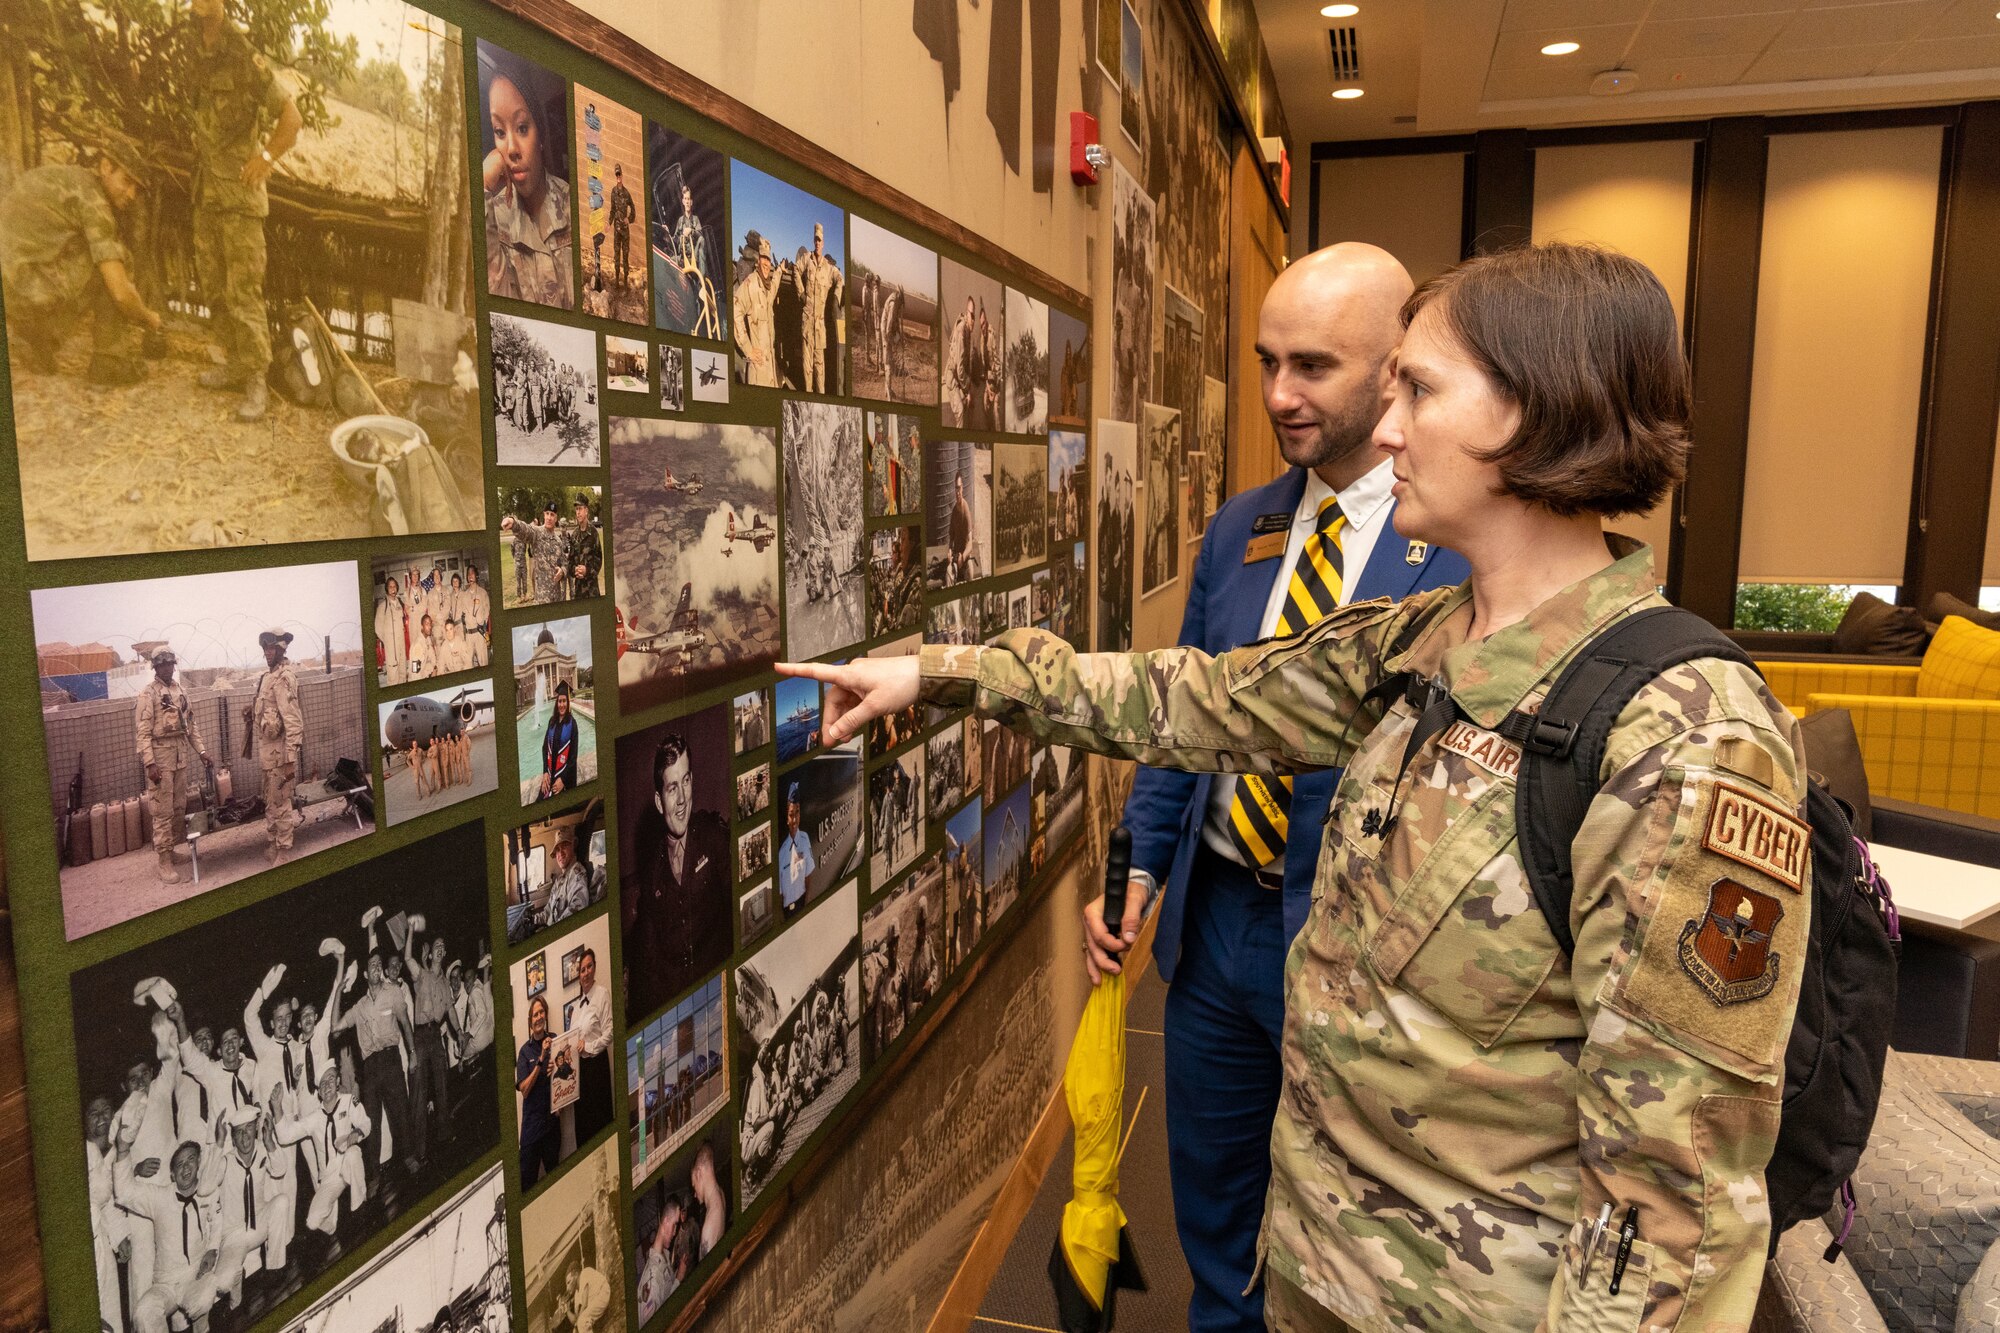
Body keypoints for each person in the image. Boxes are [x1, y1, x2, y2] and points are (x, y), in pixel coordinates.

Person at [782, 243, 1808, 1332]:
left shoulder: (1684, 734)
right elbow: (1198, 700)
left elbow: (1671, 1207)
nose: (1389, 425)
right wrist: (940, 674)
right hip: (1323, 1271)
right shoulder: (1424, 641)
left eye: (1417, 388)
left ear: (1533, 412)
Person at [1069, 243, 1469, 1331]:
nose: (1277, 395)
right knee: (1213, 1203)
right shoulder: (1240, 527)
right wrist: (1140, 867)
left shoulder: (1460, 549)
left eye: (1311, 367)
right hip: (1214, 931)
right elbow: (1184, 720)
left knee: (1342, 1231)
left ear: (1394, 371)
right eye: (1264, 362)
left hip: (1353, 946)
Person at [188, 0, 301, 423]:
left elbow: (291, 117)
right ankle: (236, 365)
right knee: (215, 287)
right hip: (208, 194)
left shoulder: (242, 53)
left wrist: (267, 158)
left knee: (243, 292)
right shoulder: (195, 45)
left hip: (238, 197)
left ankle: (256, 379)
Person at [0, 132, 163, 383]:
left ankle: (39, 339)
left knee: (96, 256)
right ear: (106, 167)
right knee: (115, 262)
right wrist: (148, 317)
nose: (131, 194)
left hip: (13, 283)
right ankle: (110, 362)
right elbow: (120, 292)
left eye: (137, 189)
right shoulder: (93, 202)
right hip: (23, 285)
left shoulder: (72, 180)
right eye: (127, 181)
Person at [623, 733, 731, 1020]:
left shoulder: (715, 838)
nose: (683, 799)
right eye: (673, 788)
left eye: (686, 781)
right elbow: (647, 965)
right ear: (659, 802)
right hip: (682, 1013)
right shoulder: (652, 874)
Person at [483, 59, 574, 307]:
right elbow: (496, 304)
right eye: (500, 132)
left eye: (522, 128)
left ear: (540, 135)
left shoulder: (573, 207)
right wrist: (481, 187)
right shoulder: (492, 218)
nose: (511, 148)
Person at [135, 647, 214, 885]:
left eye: (170, 664)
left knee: (179, 807)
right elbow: (142, 733)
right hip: (161, 759)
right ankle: (163, 861)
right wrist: (149, 763)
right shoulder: (148, 694)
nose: (167, 668)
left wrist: (201, 751)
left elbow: (191, 725)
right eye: (162, 665)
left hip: (180, 757)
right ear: (156, 668)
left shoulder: (180, 691)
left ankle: (172, 850)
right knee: (162, 811)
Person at [249, 629, 304, 865]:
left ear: (281, 650)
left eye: (272, 648)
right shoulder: (267, 677)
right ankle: (273, 842)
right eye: (265, 649)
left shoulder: (283, 677)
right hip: (267, 754)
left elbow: (293, 721)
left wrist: (291, 758)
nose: (267, 653)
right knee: (270, 800)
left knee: (281, 802)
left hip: (281, 755)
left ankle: (284, 851)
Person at [514, 995, 560, 1188]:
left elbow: (567, 1075)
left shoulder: (557, 1040)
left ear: (546, 1015)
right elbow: (524, 1090)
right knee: (527, 1186)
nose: (539, 1017)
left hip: (551, 1127)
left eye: (541, 1012)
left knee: (555, 1182)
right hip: (531, 1132)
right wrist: (541, 1061)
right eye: (535, 1014)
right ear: (530, 1022)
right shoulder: (524, 1051)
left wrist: (556, 1070)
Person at [570, 948, 615, 1143]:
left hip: (597, 1068)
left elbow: (610, 1034)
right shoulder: (576, 1008)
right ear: (578, 976)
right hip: (581, 1073)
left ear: (594, 968)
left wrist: (588, 1047)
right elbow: (572, 1042)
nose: (586, 972)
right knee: (583, 1126)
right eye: (582, 970)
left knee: (599, 1122)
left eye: (589, 967)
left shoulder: (602, 994)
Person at [795, 221, 843, 394]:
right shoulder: (806, 259)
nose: (817, 243)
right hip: (807, 323)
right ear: (813, 241)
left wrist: (836, 299)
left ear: (823, 243)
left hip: (820, 327)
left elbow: (840, 279)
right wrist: (801, 293)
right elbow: (795, 270)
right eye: (815, 239)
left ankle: (820, 398)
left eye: (819, 240)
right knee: (806, 368)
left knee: (819, 370)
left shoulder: (829, 269)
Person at [733, 232, 780, 386]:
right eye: (764, 259)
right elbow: (736, 310)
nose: (767, 263)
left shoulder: (767, 287)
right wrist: (748, 349)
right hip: (758, 370)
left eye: (768, 259)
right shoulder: (751, 283)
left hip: (771, 370)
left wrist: (779, 271)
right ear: (758, 260)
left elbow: (774, 286)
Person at [776, 784, 816, 916]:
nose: (794, 819)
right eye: (791, 814)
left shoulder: (805, 839)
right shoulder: (781, 853)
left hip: (803, 904)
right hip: (788, 911)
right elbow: (780, 894)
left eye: (797, 813)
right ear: (787, 819)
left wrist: (807, 902)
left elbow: (808, 875)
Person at [539, 680, 582, 801]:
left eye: (564, 701)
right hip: (550, 774)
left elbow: (573, 757)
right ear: (556, 703)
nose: (561, 704)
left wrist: (563, 780)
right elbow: (544, 748)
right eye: (559, 701)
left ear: (568, 703)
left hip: (565, 778)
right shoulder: (551, 722)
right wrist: (545, 772)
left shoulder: (572, 724)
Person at [544, 834, 592, 926]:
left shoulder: (577, 873)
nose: (560, 853)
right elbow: (547, 912)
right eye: (557, 850)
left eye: (565, 846)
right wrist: (533, 920)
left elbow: (578, 907)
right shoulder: (558, 881)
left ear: (573, 846)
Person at [376, 576, 412, 684]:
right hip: (391, 647)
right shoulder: (383, 607)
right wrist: (388, 640)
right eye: (390, 587)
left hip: (401, 645)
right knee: (393, 677)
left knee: (402, 673)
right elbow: (378, 628)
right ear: (387, 589)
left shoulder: (400, 604)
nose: (393, 589)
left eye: (394, 586)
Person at [567, 495, 603, 599]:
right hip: (578, 591)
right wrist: (575, 570)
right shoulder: (574, 535)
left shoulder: (593, 533)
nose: (578, 512)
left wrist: (587, 570)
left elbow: (599, 560)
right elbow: (570, 562)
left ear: (586, 511)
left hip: (592, 590)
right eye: (576, 509)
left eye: (580, 508)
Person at [562, 1262, 613, 1333]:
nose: (568, 1288)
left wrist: (577, 1325)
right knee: (577, 1328)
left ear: (576, 1274)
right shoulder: (577, 1294)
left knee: (582, 1321)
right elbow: (576, 1320)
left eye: (569, 1282)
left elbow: (585, 1304)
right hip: (595, 1303)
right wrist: (566, 1310)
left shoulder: (584, 1273)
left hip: (602, 1293)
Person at [609, 163, 635, 290]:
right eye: (616, 174)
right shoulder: (613, 192)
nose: (618, 176)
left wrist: (628, 219)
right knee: (616, 256)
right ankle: (617, 283)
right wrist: (608, 223)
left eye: (620, 174)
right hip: (616, 231)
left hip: (625, 232)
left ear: (622, 175)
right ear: (615, 176)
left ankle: (625, 283)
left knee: (625, 257)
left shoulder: (626, 193)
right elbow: (612, 210)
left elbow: (633, 209)